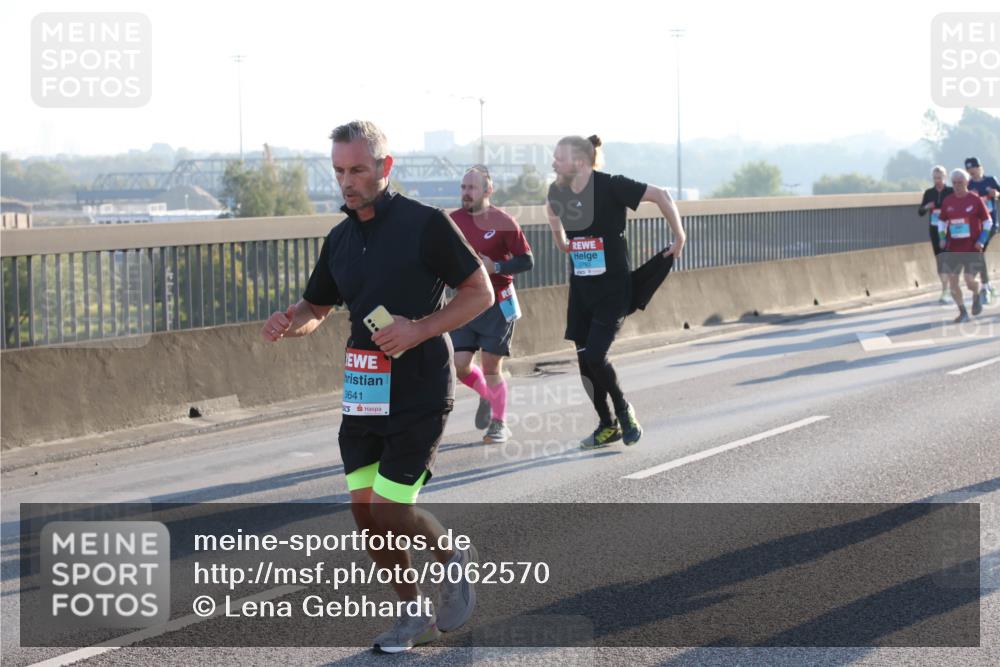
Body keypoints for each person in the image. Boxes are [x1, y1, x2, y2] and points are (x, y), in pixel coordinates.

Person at [261, 121, 493, 653]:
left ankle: (451, 553)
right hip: (364, 387)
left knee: (391, 507)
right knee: (365, 513)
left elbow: (478, 291)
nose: (347, 181)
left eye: (358, 170)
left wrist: (419, 328)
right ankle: (413, 613)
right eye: (339, 171)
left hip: (419, 385)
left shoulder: (425, 224)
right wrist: (288, 322)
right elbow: (316, 307)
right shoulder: (340, 238)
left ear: (385, 168)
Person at [546, 135, 686, 449]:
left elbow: (662, 195)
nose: (554, 163)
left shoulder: (611, 185)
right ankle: (606, 425)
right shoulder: (557, 190)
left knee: (596, 354)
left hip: (613, 289)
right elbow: (554, 221)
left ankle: (623, 410)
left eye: (559, 158)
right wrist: (565, 243)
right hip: (582, 290)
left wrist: (679, 235)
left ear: (580, 162)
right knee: (585, 363)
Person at [449, 165, 534, 444]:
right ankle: (487, 395)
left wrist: (496, 265)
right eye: (463, 187)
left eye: (471, 188)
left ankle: (499, 423)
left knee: (490, 367)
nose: (466, 193)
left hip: (498, 303)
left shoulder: (504, 221)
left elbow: (526, 260)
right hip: (465, 302)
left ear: (488, 190)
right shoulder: (452, 221)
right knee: (460, 365)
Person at [938, 168, 991, 323]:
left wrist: (982, 239)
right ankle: (963, 312)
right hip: (953, 248)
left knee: (969, 281)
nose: (957, 186)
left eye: (960, 183)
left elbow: (988, 221)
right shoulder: (948, 201)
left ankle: (976, 293)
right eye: (954, 183)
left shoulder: (975, 199)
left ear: (967, 182)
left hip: (972, 248)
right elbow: (941, 221)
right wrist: (941, 237)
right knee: (953, 283)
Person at [965, 157, 999, 304]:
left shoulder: (991, 180)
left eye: (974, 170)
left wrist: (996, 194)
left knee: (979, 250)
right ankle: (987, 286)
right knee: (979, 254)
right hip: (975, 225)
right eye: (970, 172)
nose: (973, 174)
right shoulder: (969, 185)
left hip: (990, 224)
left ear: (980, 168)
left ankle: (985, 287)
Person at [918, 166, 954, 304]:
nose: (937, 180)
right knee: (940, 260)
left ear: (944, 177)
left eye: (939, 178)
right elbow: (920, 212)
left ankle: (951, 287)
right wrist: (927, 207)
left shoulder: (951, 191)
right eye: (935, 178)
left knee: (949, 259)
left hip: (949, 230)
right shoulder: (929, 193)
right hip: (934, 230)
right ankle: (945, 289)